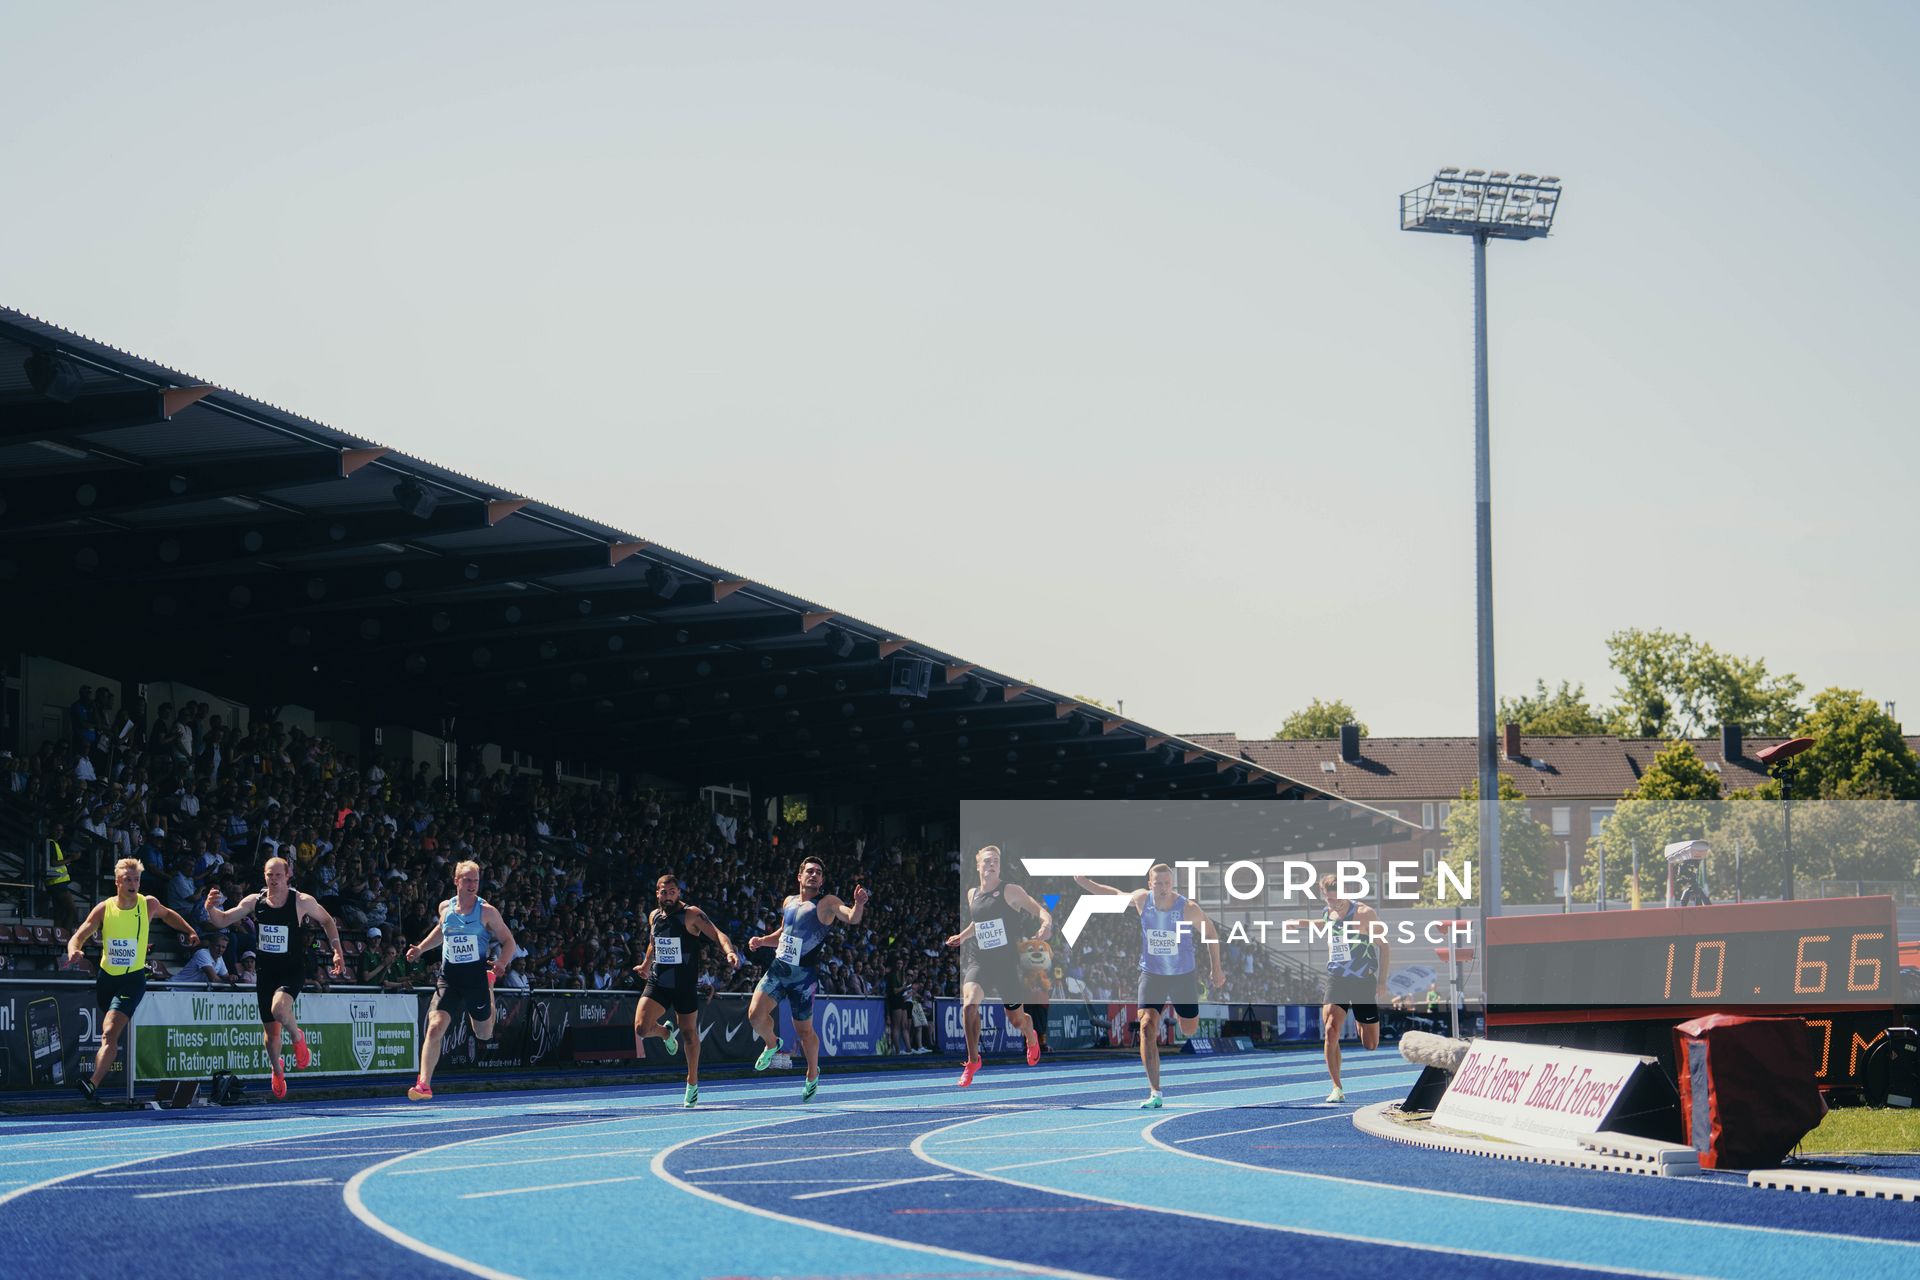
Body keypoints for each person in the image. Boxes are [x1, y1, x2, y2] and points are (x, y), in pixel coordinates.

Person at [1073, 862, 1224, 1108]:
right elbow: (1113, 895)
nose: (1163, 888)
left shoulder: (1187, 908)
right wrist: (1086, 883)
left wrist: (1216, 968)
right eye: (1159, 883)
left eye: (1167, 883)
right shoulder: (1142, 900)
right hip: (1152, 973)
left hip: (1182, 976)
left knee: (1188, 1029)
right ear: (1150, 884)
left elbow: (1211, 933)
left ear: (1172, 885)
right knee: (1146, 1027)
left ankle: (1180, 1017)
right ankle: (1155, 1092)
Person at [203, 856, 345, 1100]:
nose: (274, 879)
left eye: (279, 875)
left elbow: (327, 921)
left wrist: (337, 950)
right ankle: (277, 1071)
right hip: (266, 972)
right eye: (270, 875)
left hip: (291, 969)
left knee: (280, 1010)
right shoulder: (254, 901)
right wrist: (209, 909)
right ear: (264, 876)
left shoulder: (301, 901)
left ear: (288, 875)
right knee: (271, 1037)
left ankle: (298, 1037)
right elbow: (223, 920)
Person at [63, 858, 200, 1102]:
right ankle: (96, 1079)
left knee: (109, 1031)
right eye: (128, 879)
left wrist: (189, 930)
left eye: (136, 879)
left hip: (133, 979)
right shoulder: (105, 908)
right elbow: (80, 934)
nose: (133, 884)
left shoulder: (147, 904)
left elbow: (168, 916)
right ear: (117, 882)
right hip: (107, 978)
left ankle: (92, 1084)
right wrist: (74, 950)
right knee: (109, 1036)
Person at [745, 857, 869, 1101]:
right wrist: (762, 941)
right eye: (809, 871)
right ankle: (772, 1044)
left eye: (818, 872)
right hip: (779, 970)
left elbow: (852, 917)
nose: (814, 875)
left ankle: (812, 1073)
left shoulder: (827, 902)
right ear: (799, 877)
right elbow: (783, 934)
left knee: (804, 1032)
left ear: (822, 880)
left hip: (803, 979)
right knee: (755, 1015)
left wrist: (858, 904)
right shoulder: (789, 902)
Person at [403, 860, 516, 1101]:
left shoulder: (487, 912)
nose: (473, 885)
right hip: (449, 978)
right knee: (434, 1027)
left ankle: (490, 985)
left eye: (476, 880)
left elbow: (509, 941)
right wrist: (421, 949)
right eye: (467, 880)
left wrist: (501, 964)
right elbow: (441, 931)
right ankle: (424, 1084)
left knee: (483, 1034)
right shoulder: (445, 907)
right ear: (456, 881)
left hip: (476, 979)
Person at [946, 845, 1052, 1087]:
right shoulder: (972, 893)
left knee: (1016, 1020)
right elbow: (979, 922)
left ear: (999, 866)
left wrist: (1046, 923)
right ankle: (973, 1061)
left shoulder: (1011, 891)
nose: (991, 864)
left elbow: (1039, 910)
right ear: (978, 866)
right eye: (987, 861)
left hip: (1005, 965)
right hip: (980, 959)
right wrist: (962, 937)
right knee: (969, 1005)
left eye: (995, 861)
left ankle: (1030, 1035)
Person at [631, 873, 740, 1107]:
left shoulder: (691, 914)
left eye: (672, 892)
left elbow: (718, 933)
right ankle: (664, 1033)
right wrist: (645, 965)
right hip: (659, 981)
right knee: (641, 1028)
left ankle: (692, 1081)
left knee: (690, 1034)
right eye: (663, 892)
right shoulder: (654, 916)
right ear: (657, 893)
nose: (668, 896)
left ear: (678, 893)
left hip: (684, 985)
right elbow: (654, 942)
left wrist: (729, 952)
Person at [1317, 872, 1389, 1103]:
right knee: (1330, 1029)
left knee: (1370, 1044)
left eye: (1336, 898)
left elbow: (1384, 947)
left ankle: (1360, 1020)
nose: (1332, 902)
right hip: (1337, 978)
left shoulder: (1365, 913)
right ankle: (1336, 1087)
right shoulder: (1328, 914)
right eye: (1328, 898)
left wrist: (1382, 981)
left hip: (1363, 980)